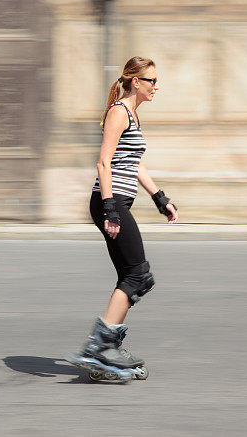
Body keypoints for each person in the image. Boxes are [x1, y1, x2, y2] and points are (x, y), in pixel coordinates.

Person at [66, 56, 179, 381]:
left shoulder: (132, 116)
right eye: (152, 80)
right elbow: (103, 163)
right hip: (109, 201)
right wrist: (111, 208)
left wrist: (160, 198)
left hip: (117, 201)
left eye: (156, 80)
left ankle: (104, 347)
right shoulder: (119, 112)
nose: (156, 86)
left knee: (135, 276)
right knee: (137, 274)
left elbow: (134, 163)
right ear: (135, 82)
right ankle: (101, 347)